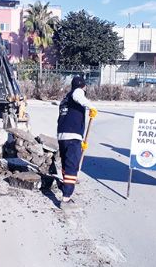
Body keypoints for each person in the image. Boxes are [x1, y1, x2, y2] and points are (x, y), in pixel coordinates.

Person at [56, 76, 97, 210]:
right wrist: (92, 107)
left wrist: (81, 141)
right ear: (83, 87)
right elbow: (78, 94)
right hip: (72, 136)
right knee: (72, 168)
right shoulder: (77, 93)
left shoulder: (65, 99)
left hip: (63, 136)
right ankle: (66, 199)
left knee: (65, 166)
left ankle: (65, 186)